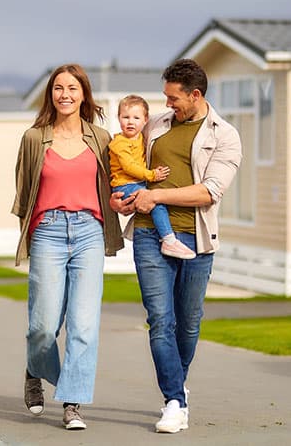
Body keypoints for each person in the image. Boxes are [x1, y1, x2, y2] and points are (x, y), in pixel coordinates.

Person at [111, 58, 242, 434]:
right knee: (160, 321)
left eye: (173, 98)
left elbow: (210, 192)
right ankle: (174, 400)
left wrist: (157, 196)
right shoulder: (156, 126)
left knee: (188, 323)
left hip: (197, 240)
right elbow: (125, 165)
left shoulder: (225, 135)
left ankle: (176, 387)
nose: (167, 104)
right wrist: (121, 198)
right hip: (150, 234)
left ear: (195, 95)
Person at [12, 63, 123, 430]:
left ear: (84, 95)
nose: (65, 95)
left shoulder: (101, 138)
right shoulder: (34, 138)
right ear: (51, 94)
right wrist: (30, 236)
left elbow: (117, 183)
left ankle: (72, 402)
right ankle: (35, 368)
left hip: (89, 231)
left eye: (72, 88)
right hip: (48, 232)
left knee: (84, 324)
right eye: (58, 88)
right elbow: (24, 196)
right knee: (43, 325)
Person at [109, 95, 196, 260]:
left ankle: (164, 236)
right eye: (125, 117)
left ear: (145, 120)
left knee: (155, 203)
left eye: (136, 118)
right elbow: (128, 166)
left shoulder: (141, 137)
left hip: (136, 183)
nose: (130, 122)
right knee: (156, 204)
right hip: (125, 185)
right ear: (118, 118)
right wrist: (152, 175)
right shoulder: (119, 143)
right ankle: (169, 240)